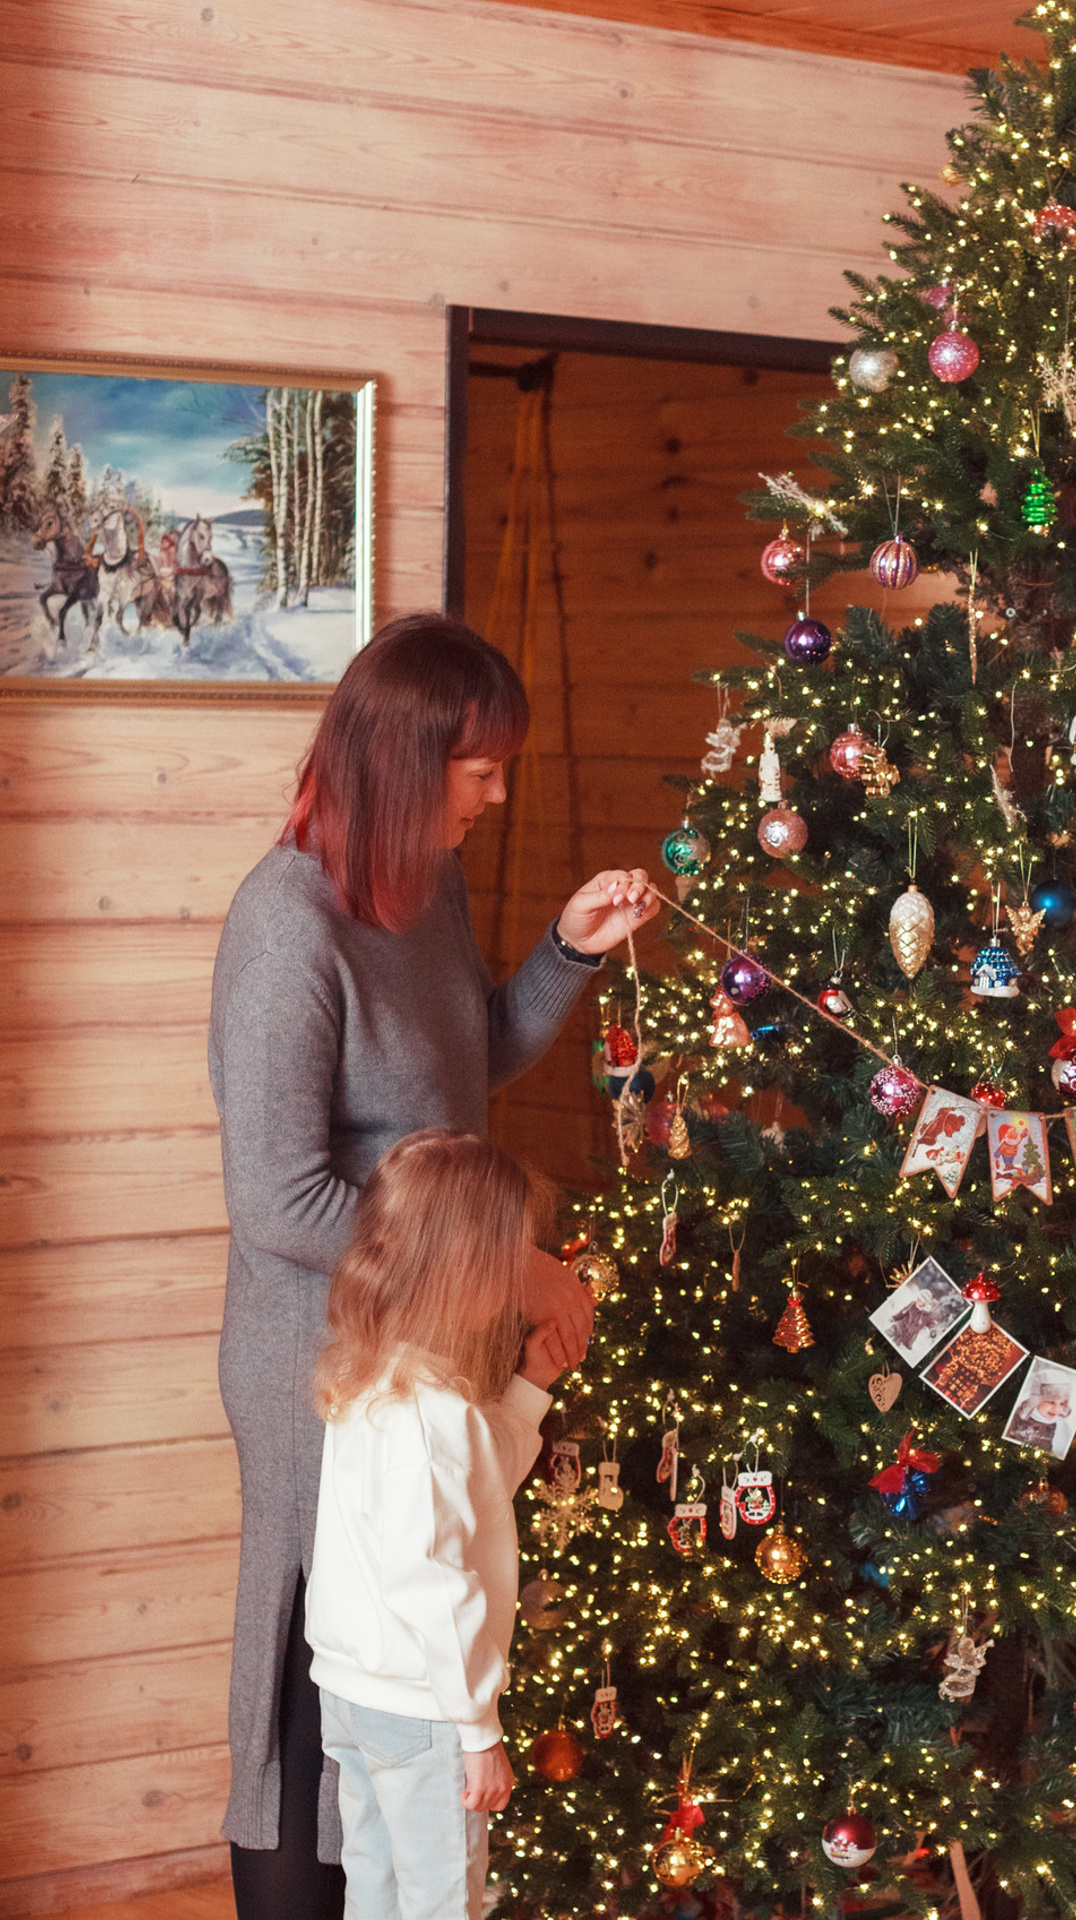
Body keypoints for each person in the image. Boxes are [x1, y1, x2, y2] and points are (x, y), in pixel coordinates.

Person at [208, 612, 660, 1918]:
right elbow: (278, 1199)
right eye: (480, 766)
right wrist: (502, 1266)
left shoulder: (429, 885)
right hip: (321, 1357)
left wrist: (566, 953)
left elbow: (465, 1071)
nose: (500, 789)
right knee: (315, 1697)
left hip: (435, 1324)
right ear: (406, 763)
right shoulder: (285, 925)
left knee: (407, 1669)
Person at [307, 1129, 566, 1920]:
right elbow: (432, 1583)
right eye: (516, 1254)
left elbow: (475, 1490)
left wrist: (530, 1387)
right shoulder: (435, 1416)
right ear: (472, 1269)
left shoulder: (369, 1379)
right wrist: (477, 1727)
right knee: (442, 1901)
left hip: (353, 1694)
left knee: (377, 1886)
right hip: (425, 1710)